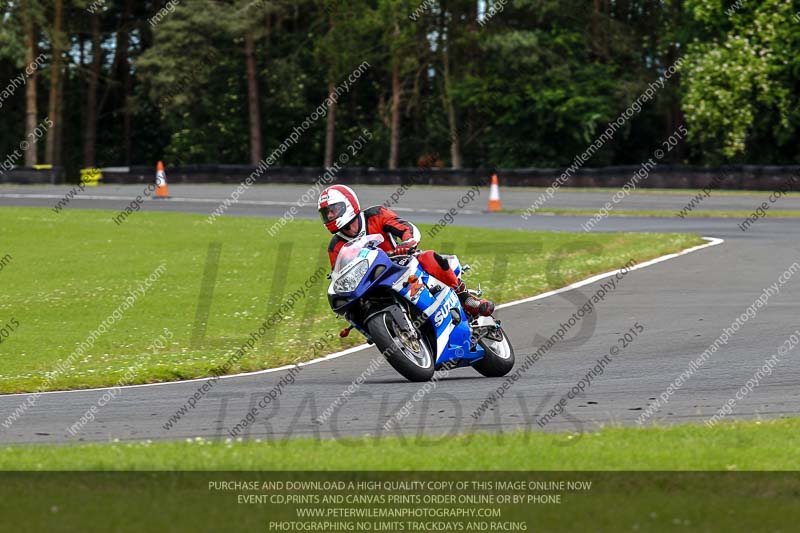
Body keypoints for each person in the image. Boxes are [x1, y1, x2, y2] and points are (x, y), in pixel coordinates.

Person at [318, 184, 494, 317]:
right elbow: (340, 273)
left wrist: (408, 242)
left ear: (348, 205)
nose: (330, 216)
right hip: (370, 284)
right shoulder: (336, 246)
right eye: (326, 214)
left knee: (429, 257)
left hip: (400, 264)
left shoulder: (375, 214)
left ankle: (465, 298)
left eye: (333, 210)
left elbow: (404, 227)